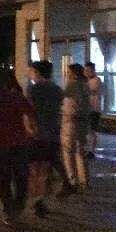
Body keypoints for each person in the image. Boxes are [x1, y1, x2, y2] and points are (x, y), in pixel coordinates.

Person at [0, 71, 36, 225]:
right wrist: (32, 130)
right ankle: (18, 205)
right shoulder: (16, 97)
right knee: (21, 177)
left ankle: (8, 209)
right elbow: (31, 113)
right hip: (19, 144)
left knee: (3, 180)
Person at [26, 60, 71, 201]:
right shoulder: (57, 89)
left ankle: (38, 198)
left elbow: (29, 110)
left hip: (38, 131)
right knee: (52, 159)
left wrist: (29, 128)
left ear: (37, 72)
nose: (30, 74)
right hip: (53, 130)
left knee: (36, 166)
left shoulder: (33, 89)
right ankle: (65, 183)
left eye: (31, 71)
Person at [62, 64, 91, 192]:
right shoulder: (85, 85)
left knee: (68, 151)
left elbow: (68, 106)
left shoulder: (72, 85)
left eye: (69, 72)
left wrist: (64, 116)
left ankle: (72, 179)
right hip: (83, 122)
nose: (67, 74)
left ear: (74, 73)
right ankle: (84, 181)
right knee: (80, 152)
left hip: (71, 122)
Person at [84, 62, 103, 159]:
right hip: (88, 109)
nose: (86, 72)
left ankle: (91, 150)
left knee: (92, 130)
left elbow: (89, 91)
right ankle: (88, 149)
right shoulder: (87, 81)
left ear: (93, 70)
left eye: (88, 70)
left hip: (94, 109)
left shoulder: (96, 80)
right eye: (85, 70)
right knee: (88, 131)